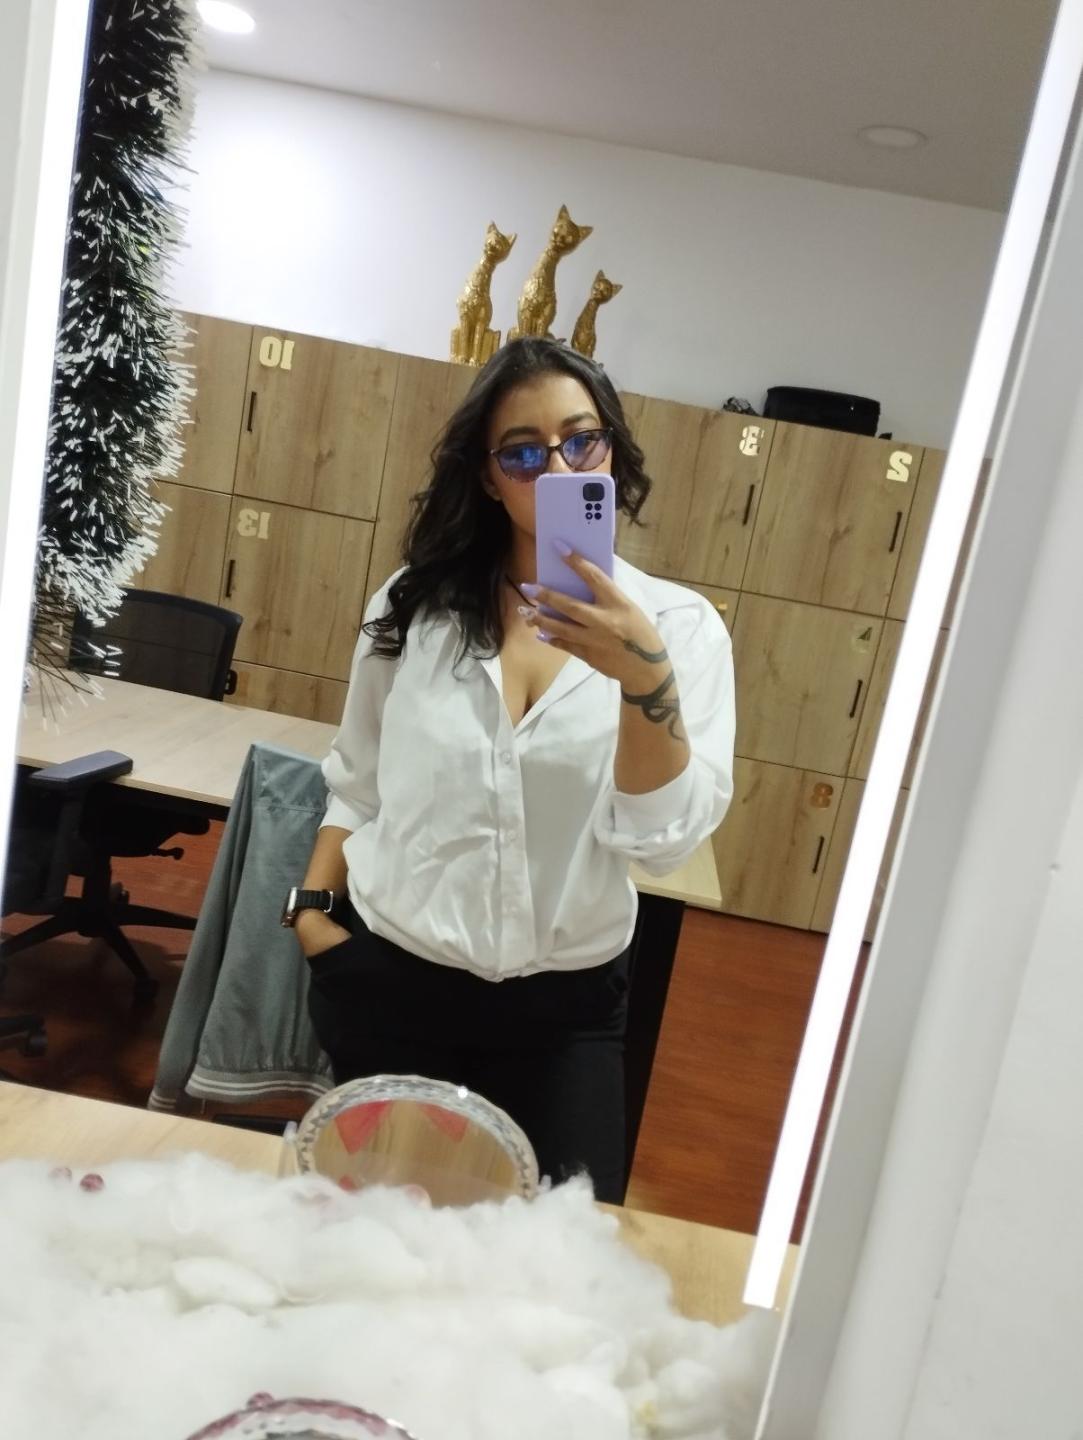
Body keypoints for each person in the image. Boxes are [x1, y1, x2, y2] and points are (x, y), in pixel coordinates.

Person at [286, 337, 735, 1202]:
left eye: (581, 441)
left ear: (611, 450)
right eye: (523, 452)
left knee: (559, 1254)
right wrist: (311, 915)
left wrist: (642, 674)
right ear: (489, 477)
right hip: (390, 983)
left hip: (563, 1015)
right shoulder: (414, 606)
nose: (558, 468)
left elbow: (660, 843)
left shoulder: (678, 630)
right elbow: (356, 778)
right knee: (375, 1245)